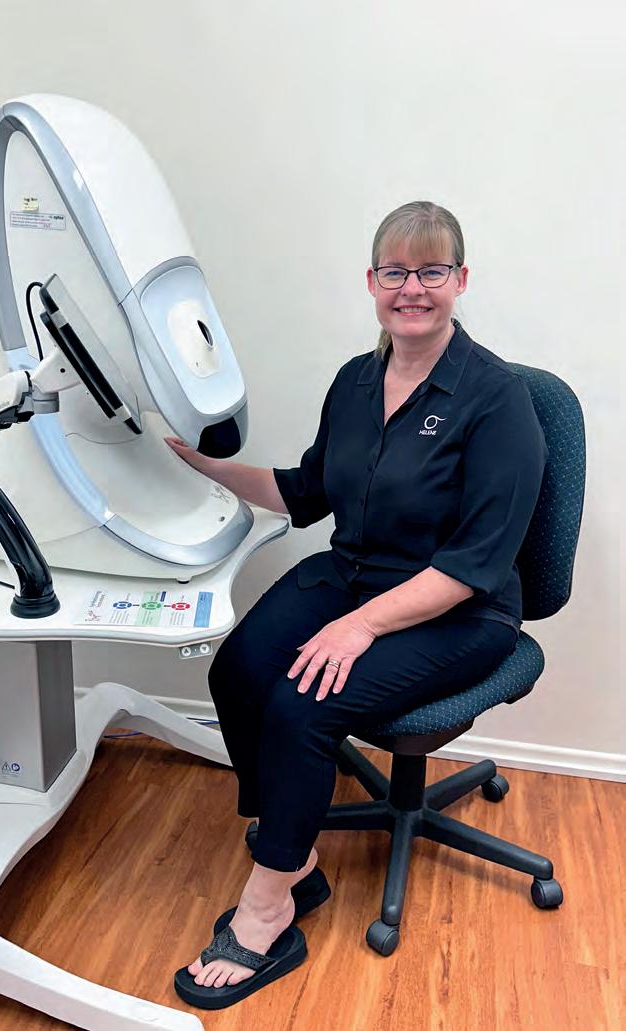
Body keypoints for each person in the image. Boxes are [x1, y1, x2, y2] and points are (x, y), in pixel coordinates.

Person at [167, 200, 549, 1010]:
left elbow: (475, 564)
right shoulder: (354, 381)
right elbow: (307, 491)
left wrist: (359, 625)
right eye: (396, 272)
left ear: (460, 280)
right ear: (371, 283)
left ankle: (267, 909)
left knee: (303, 703)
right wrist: (205, 467)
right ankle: (295, 858)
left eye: (431, 270)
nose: (413, 288)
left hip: (460, 610)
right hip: (353, 575)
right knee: (238, 670)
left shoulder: (497, 399)